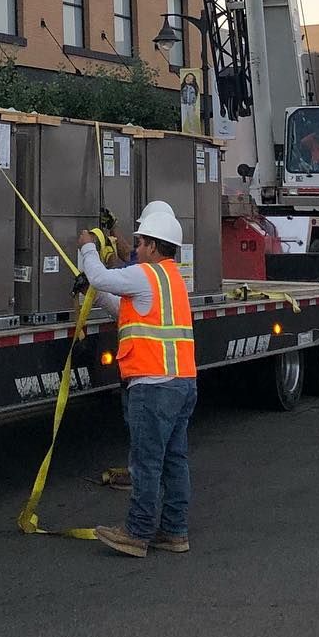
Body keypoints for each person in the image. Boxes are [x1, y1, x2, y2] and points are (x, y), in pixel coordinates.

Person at [76, 200, 197, 558]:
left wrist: (86, 246)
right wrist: (94, 294)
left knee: (146, 462)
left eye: (141, 242)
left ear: (154, 246)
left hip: (153, 386)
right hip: (182, 383)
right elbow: (126, 308)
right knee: (175, 461)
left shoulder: (146, 275)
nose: (136, 249)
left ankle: (138, 532)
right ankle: (175, 532)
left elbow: (100, 275)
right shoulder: (173, 279)